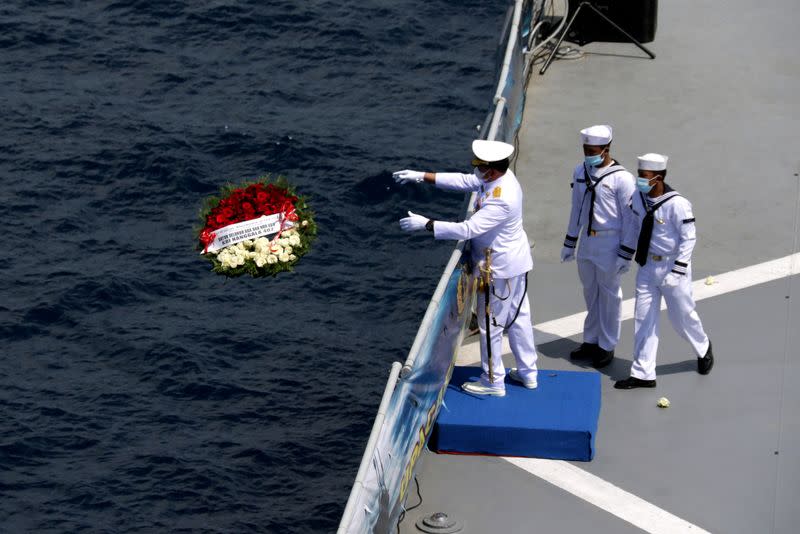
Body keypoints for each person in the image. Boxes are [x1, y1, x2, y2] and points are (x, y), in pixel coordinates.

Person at [393, 140, 538, 397]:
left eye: (480, 167)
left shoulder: (501, 199)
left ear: (491, 170)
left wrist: (427, 224)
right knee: (518, 319)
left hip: (499, 270)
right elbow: (464, 181)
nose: (477, 171)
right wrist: (422, 176)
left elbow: (468, 229)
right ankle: (529, 373)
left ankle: (493, 381)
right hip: (514, 264)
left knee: (491, 324)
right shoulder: (500, 178)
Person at [614, 153, 714, 389]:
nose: (639, 180)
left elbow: (689, 239)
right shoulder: (638, 198)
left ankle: (703, 347)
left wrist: (677, 272)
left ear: (657, 178)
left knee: (682, 317)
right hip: (648, 266)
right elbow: (633, 227)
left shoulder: (678, 204)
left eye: (644, 176)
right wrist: (625, 255)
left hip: (671, 267)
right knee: (643, 318)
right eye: (639, 175)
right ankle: (643, 373)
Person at [560, 125, 636, 368]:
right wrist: (570, 241)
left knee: (610, 295)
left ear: (605, 150)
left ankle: (607, 345)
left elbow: (630, 219)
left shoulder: (622, 179)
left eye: (592, 150)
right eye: (585, 149)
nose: (587, 154)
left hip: (609, 241)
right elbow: (576, 208)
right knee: (590, 292)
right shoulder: (580, 171)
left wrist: (626, 252)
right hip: (587, 241)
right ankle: (591, 340)